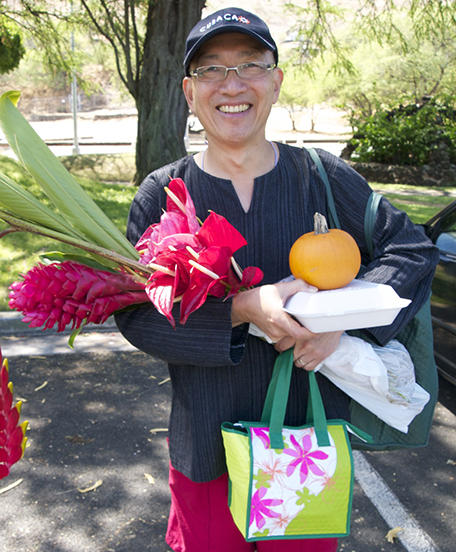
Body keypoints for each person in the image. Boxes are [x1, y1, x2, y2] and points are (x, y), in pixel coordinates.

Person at [115, 7, 439, 552]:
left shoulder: (322, 177)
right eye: (212, 69)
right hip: (206, 451)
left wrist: (345, 326)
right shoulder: (163, 193)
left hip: (305, 449)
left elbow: (411, 249)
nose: (232, 84)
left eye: (251, 65)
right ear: (189, 93)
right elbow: (137, 314)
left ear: (276, 81)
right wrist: (242, 309)